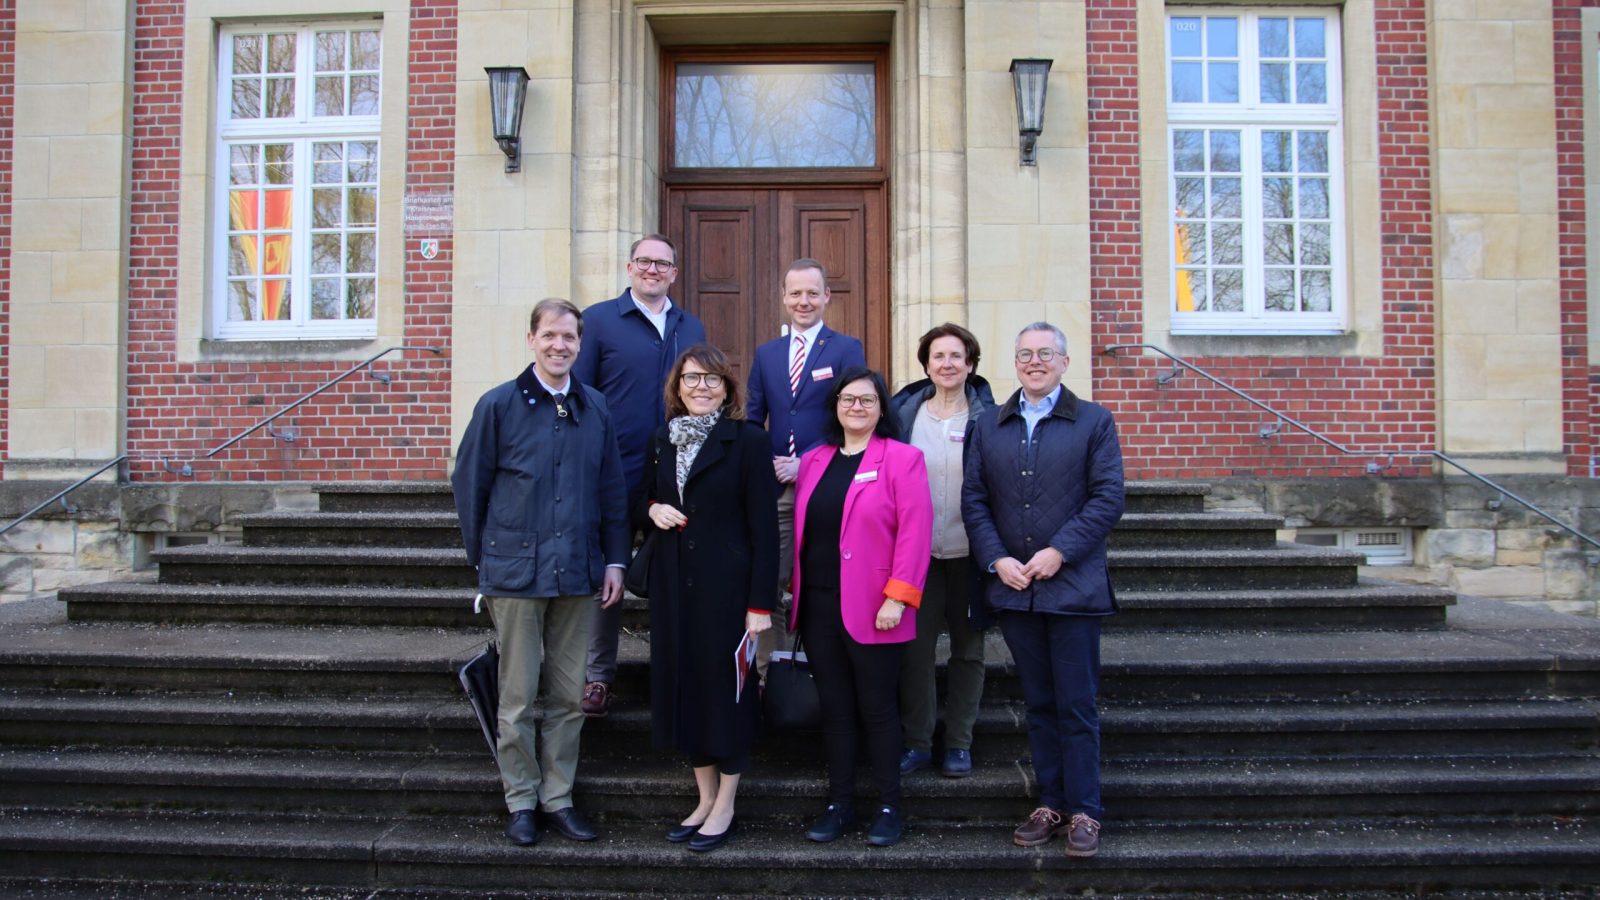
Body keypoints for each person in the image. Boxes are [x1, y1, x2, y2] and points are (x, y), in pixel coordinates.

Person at [451, 298, 631, 848]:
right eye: (550, 335)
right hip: (515, 574)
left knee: (568, 695)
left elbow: (610, 491)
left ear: (580, 344)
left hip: (578, 572)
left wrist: (615, 560)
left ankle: (559, 796)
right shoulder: (499, 405)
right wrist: (484, 562)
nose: (560, 346)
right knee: (518, 697)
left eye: (569, 338)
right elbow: (470, 487)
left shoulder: (594, 406)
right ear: (531, 338)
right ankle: (521, 799)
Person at [961, 322, 1125, 860]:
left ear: (1064, 361)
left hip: (1073, 587)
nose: (1035, 362)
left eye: (1045, 353)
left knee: (1075, 705)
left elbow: (1107, 499)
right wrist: (996, 557)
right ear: (1015, 362)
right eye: (1025, 354)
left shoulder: (1094, 422)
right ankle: (1050, 803)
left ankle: (1085, 811)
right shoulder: (990, 426)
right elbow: (975, 500)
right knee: (1038, 704)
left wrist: (1060, 551)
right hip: (1016, 589)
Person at [634, 344, 779, 853]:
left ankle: (726, 803)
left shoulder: (748, 442)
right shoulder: (663, 439)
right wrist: (652, 509)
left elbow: (765, 529)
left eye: (712, 380)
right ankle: (702, 797)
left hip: (729, 593)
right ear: (678, 387)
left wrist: (761, 604)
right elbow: (645, 495)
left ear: (727, 389)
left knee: (728, 697)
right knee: (688, 692)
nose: (701, 388)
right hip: (675, 590)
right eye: (692, 379)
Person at [790, 366, 932, 848]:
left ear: (881, 408)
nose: (856, 407)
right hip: (820, 606)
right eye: (848, 399)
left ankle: (890, 805)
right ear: (835, 406)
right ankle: (840, 803)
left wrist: (898, 596)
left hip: (877, 608)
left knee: (877, 710)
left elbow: (915, 533)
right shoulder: (814, 460)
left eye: (867, 400)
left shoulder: (903, 459)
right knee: (836, 711)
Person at [573, 235, 707, 718]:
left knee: (672, 575)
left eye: (662, 263)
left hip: (673, 475)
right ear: (630, 267)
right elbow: (580, 397)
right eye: (644, 261)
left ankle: (672, 674)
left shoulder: (689, 324)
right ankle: (597, 677)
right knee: (605, 577)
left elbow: (700, 392)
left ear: (674, 271)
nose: (653, 270)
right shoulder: (600, 321)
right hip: (613, 472)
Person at [888, 323, 995, 779]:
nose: (947, 364)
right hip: (918, 557)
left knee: (969, 650)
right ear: (926, 364)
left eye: (956, 356)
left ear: (970, 364)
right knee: (915, 650)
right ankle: (917, 741)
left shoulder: (990, 418)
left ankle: (959, 743)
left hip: (971, 552)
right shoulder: (904, 416)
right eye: (938, 356)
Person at [746, 258, 866, 661]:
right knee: (771, 582)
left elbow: (855, 414)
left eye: (812, 293)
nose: (804, 301)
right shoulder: (767, 354)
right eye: (795, 293)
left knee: (824, 582)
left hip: (829, 484)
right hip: (779, 486)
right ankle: (771, 675)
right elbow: (752, 418)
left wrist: (810, 463)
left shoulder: (847, 349)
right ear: (783, 298)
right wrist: (765, 464)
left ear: (827, 297)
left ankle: (825, 670)